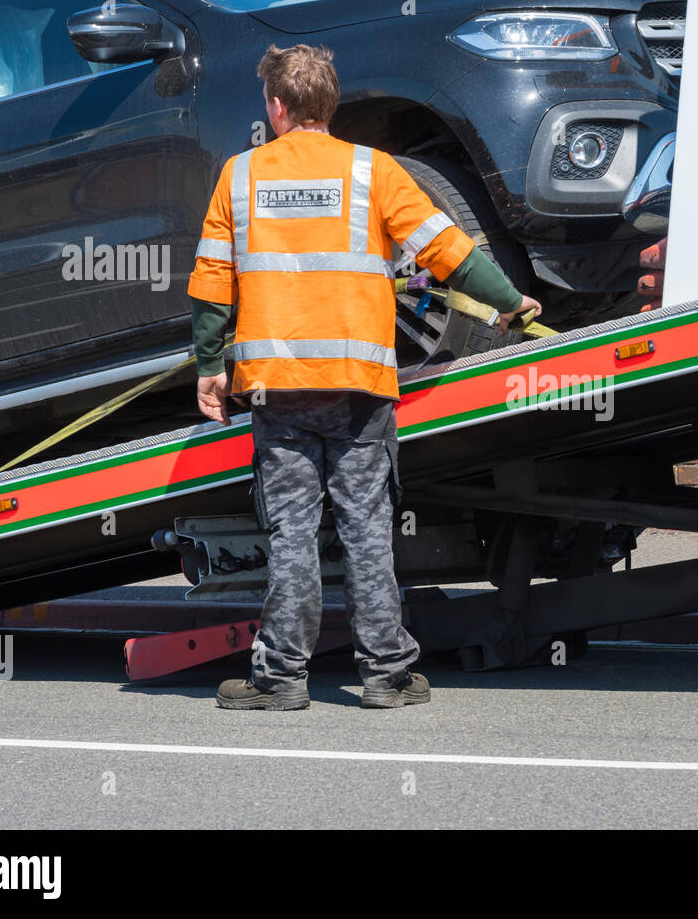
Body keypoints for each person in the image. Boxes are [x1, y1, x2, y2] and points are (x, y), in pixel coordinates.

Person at [187, 44, 540, 710]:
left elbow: (211, 287)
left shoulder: (240, 177)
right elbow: (449, 252)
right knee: (366, 528)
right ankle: (387, 675)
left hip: (277, 388)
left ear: (279, 107)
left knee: (291, 533)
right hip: (360, 389)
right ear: (329, 105)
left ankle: (281, 680)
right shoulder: (370, 172)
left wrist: (211, 370)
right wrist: (509, 302)